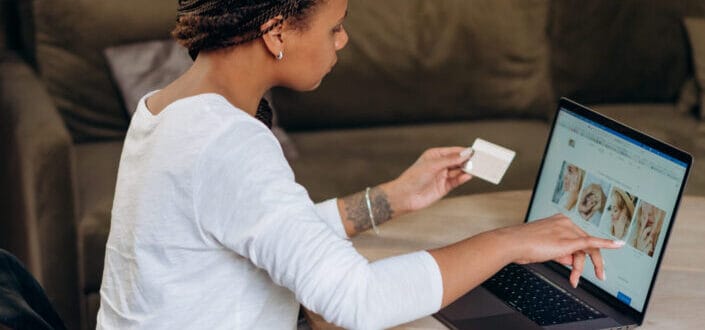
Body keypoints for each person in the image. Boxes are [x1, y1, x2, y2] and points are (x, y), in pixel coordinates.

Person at [97, 1, 624, 328]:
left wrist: (391, 198)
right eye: (335, 27)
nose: (343, 40)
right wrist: (512, 241)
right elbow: (358, 300)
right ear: (276, 33)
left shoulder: (166, 108)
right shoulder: (227, 141)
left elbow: (262, 236)